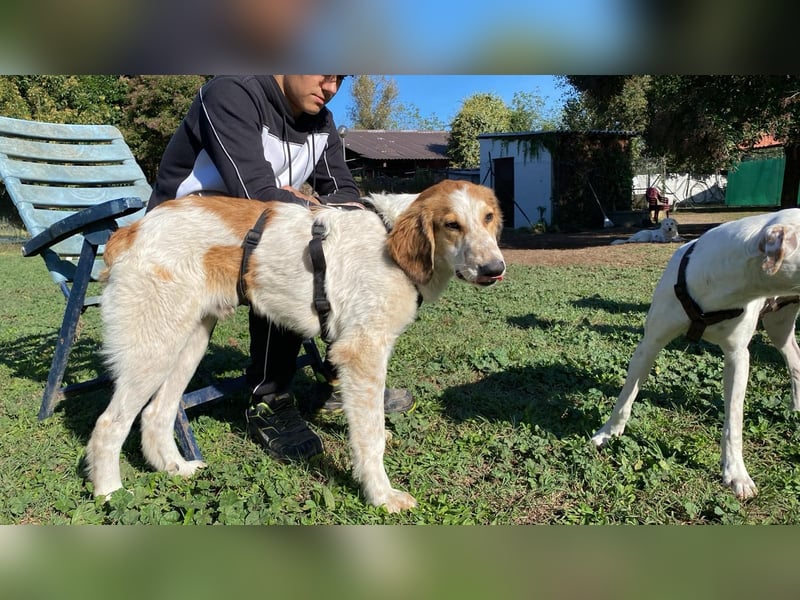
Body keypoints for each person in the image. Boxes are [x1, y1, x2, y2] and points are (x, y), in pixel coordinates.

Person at [147, 75, 413, 461]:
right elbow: (254, 193)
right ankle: (268, 396)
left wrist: (301, 201)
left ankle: (345, 376)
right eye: (326, 71)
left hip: (262, 235)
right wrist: (309, 205)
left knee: (338, 248)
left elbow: (347, 196)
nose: (332, 86)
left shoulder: (321, 121)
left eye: (342, 77)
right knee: (288, 254)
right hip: (185, 241)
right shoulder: (230, 94)